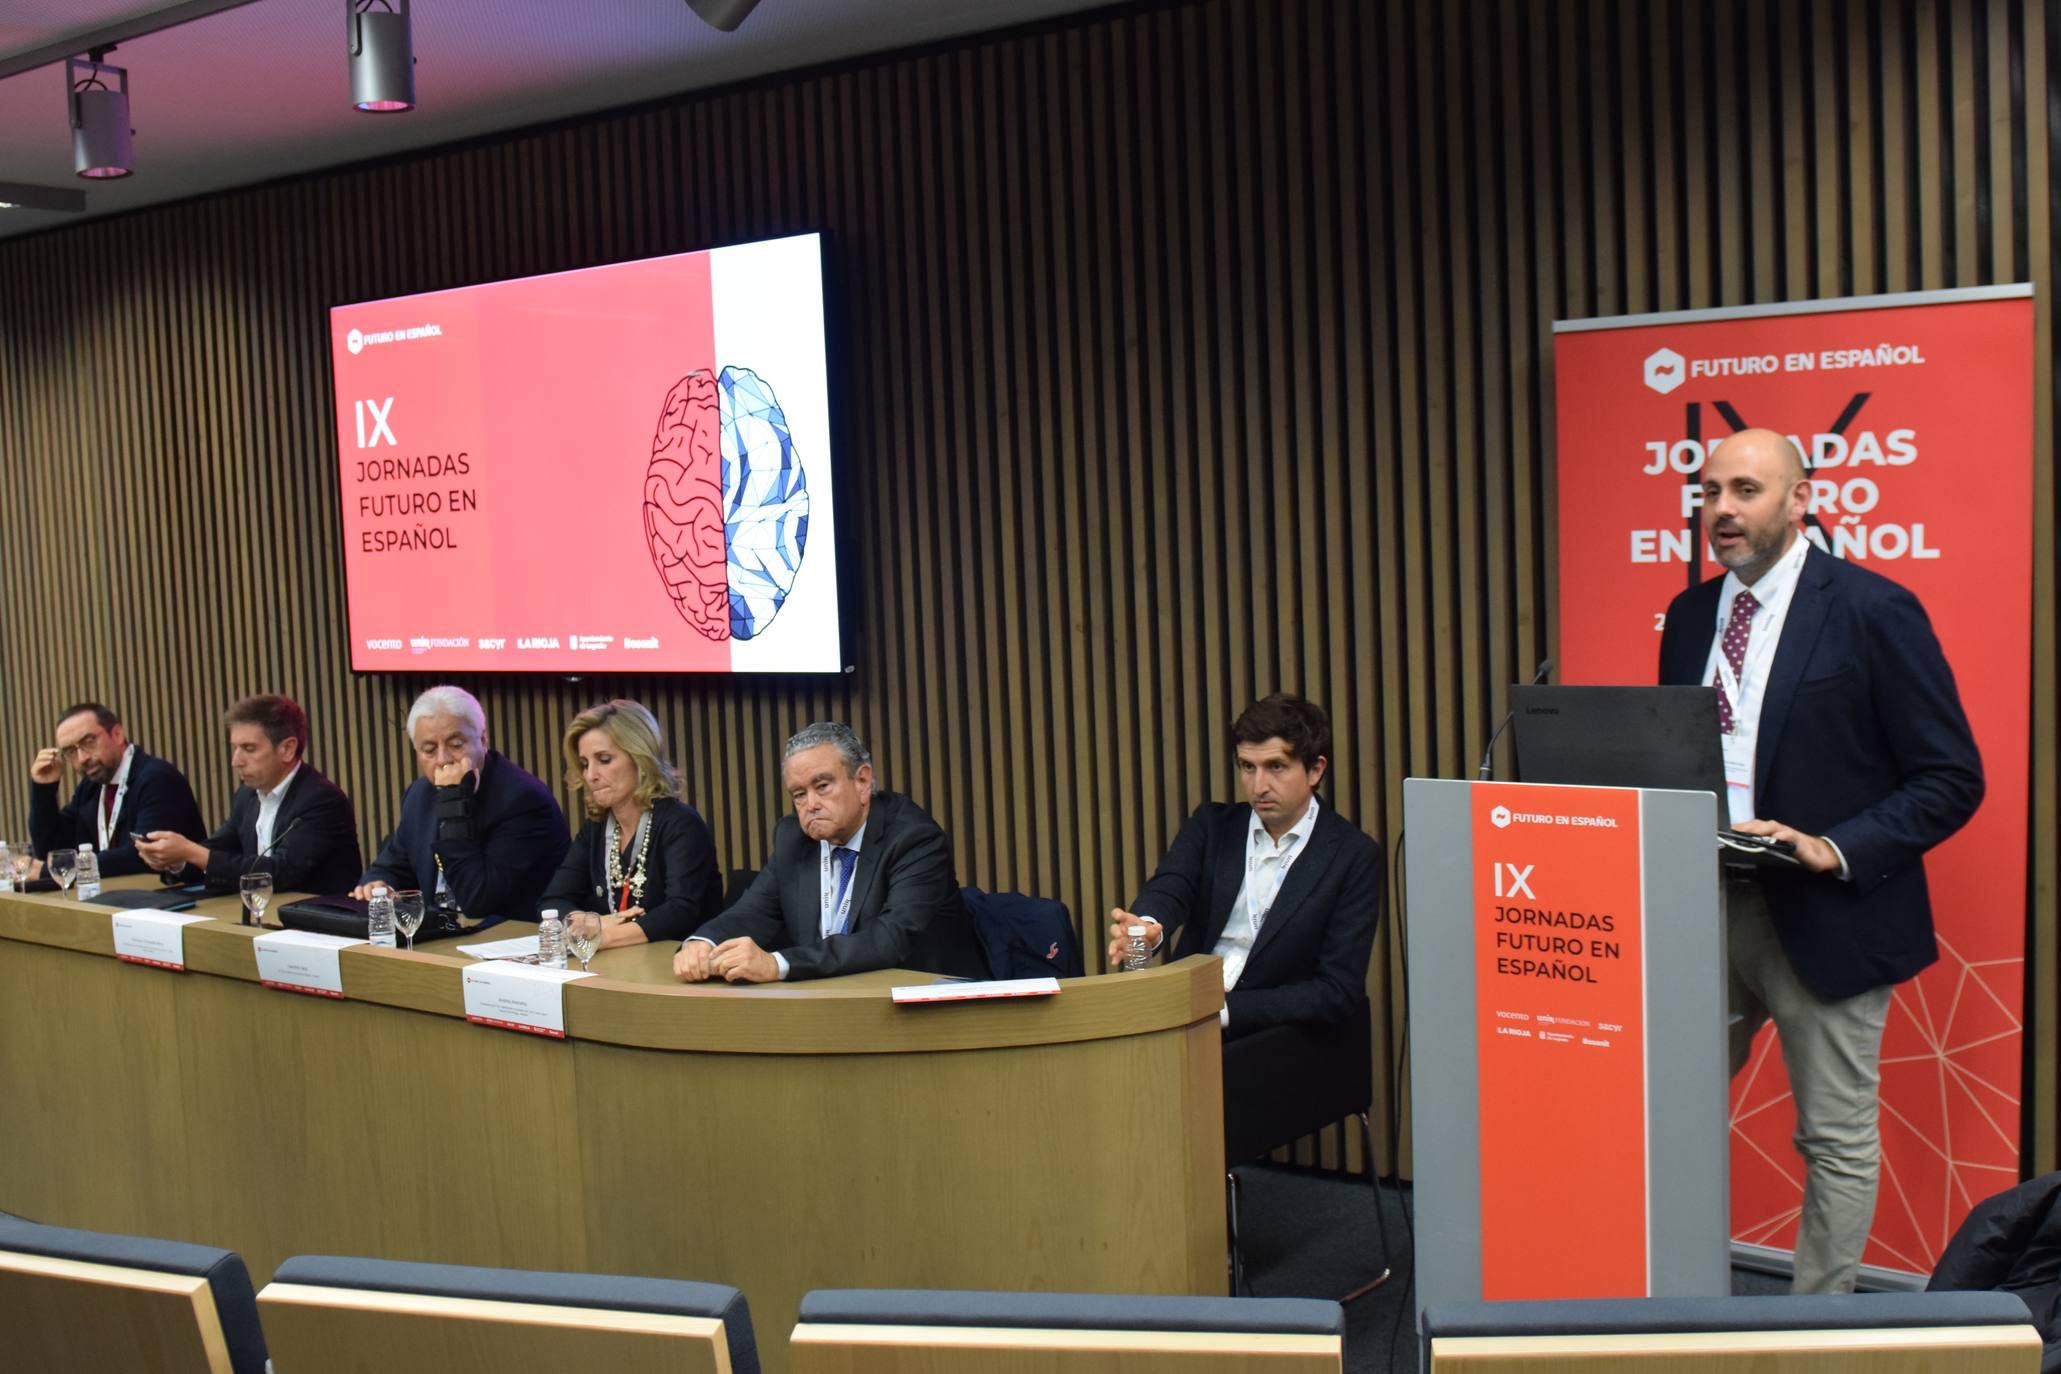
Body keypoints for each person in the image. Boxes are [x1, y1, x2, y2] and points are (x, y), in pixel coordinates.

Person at [1658, 427, 1983, 1294]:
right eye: (1711, 492)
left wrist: (1831, 847)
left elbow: (1951, 776)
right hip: (1702, 903)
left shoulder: (1873, 609)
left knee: (1832, 1140)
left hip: (1823, 910)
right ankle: (1675, 1299)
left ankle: (1814, 1328)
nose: (1721, 511)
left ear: (1799, 500)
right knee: (1667, 1109)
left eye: (1746, 492)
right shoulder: (1691, 615)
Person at [1104, 693, 1383, 1036]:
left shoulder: (1352, 856)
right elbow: (1170, 887)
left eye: (1275, 767)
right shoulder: (1212, 826)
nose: (1258, 786)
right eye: (1247, 767)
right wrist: (1146, 929)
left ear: (1315, 770)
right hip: (1182, 1019)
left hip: (1269, 1036)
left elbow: (1337, 990)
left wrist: (1219, 1011)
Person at [676, 721, 987, 983]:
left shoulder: (913, 838)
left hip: (921, 1001)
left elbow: (890, 939)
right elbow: (754, 911)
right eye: (799, 794)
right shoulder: (793, 838)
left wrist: (778, 964)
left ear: (862, 781)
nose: (810, 804)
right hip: (831, 997)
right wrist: (703, 943)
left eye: (822, 786)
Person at [352, 685, 568, 923]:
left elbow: (476, 900)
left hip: (509, 941)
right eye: (429, 750)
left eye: (456, 745)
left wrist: (453, 802)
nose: (443, 760)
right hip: (443, 936)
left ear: (483, 740)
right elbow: (392, 865)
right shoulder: (419, 795)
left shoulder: (523, 800)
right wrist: (377, 883)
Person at [537, 700, 723, 949]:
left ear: (640, 760)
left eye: (604, 759)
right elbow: (552, 901)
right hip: (617, 961)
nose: (590, 775)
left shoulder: (681, 825)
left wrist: (600, 932)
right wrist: (582, 922)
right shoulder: (597, 827)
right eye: (584, 764)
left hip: (677, 964)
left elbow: (680, 911)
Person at [135, 694, 364, 895]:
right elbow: (221, 850)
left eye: (249, 749)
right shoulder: (247, 796)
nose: (236, 761)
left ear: (287, 749)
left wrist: (192, 852)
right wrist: (177, 860)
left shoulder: (321, 800)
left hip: (316, 927)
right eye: (234, 748)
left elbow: (281, 872)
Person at [26, 702, 205, 879]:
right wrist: (43, 789)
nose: (82, 758)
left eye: (89, 742)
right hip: (115, 898)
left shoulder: (157, 778)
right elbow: (52, 851)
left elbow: (143, 856)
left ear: (117, 734)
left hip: (174, 898)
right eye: (71, 751)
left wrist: (55, 868)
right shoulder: (91, 787)